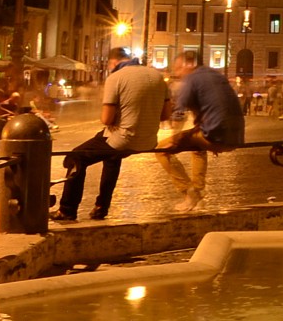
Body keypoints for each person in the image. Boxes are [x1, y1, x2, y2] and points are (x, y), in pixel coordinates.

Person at [55, 48, 167, 221]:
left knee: (76, 157)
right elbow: (165, 115)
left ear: (113, 62)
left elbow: (106, 119)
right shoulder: (158, 77)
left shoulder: (116, 78)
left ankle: (67, 210)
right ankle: (101, 207)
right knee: (112, 156)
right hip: (150, 140)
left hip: (123, 138)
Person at [160, 51, 244, 214]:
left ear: (190, 64)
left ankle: (189, 191)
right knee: (197, 146)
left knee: (161, 149)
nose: (177, 73)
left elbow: (179, 113)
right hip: (236, 136)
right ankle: (198, 188)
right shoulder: (216, 75)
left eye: (178, 68)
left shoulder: (191, 79)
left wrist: (174, 140)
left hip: (215, 135)